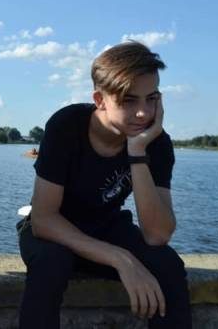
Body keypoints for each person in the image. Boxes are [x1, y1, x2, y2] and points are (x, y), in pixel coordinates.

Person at [18, 41, 192, 328]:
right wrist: (121, 259)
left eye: (151, 99)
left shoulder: (156, 143)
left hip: (108, 227)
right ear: (100, 99)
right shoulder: (67, 125)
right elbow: (43, 219)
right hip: (53, 230)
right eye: (129, 100)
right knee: (51, 263)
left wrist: (137, 152)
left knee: (167, 266)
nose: (143, 113)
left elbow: (157, 234)